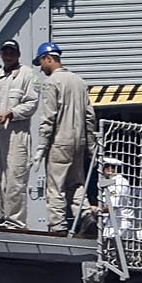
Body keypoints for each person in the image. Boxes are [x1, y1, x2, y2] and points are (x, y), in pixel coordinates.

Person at [34, 42, 96, 235]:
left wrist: (42, 146)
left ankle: (58, 226)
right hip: (79, 142)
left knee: (56, 186)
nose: (41, 67)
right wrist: (91, 145)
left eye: (41, 62)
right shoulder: (79, 82)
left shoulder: (52, 83)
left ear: (48, 59)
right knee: (76, 183)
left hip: (59, 141)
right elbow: (90, 116)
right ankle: (86, 214)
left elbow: (49, 117)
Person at [0, 40, 40, 229]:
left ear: (18, 54)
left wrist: (11, 113)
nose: (8, 55)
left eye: (12, 52)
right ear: (1, 54)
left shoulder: (29, 75)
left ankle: (15, 222)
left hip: (16, 133)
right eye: (5, 52)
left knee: (15, 178)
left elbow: (32, 103)